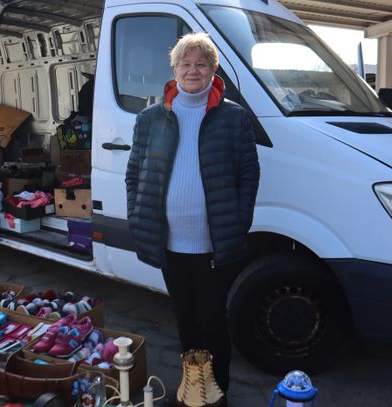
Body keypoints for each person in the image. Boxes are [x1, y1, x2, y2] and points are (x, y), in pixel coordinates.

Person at [125, 33, 260, 395]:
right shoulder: (150, 118)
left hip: (214, 244)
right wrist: (137, 216)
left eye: (201, 63)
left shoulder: (233, 117)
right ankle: (193, 391)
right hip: (170, 244)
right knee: (185, 320)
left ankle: (217, 394)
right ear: (174, 69)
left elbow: (249, 173)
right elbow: (134, 173)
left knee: (212, 321)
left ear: (214, 69)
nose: (193, 70)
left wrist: (239, 221)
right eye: (185, 64)